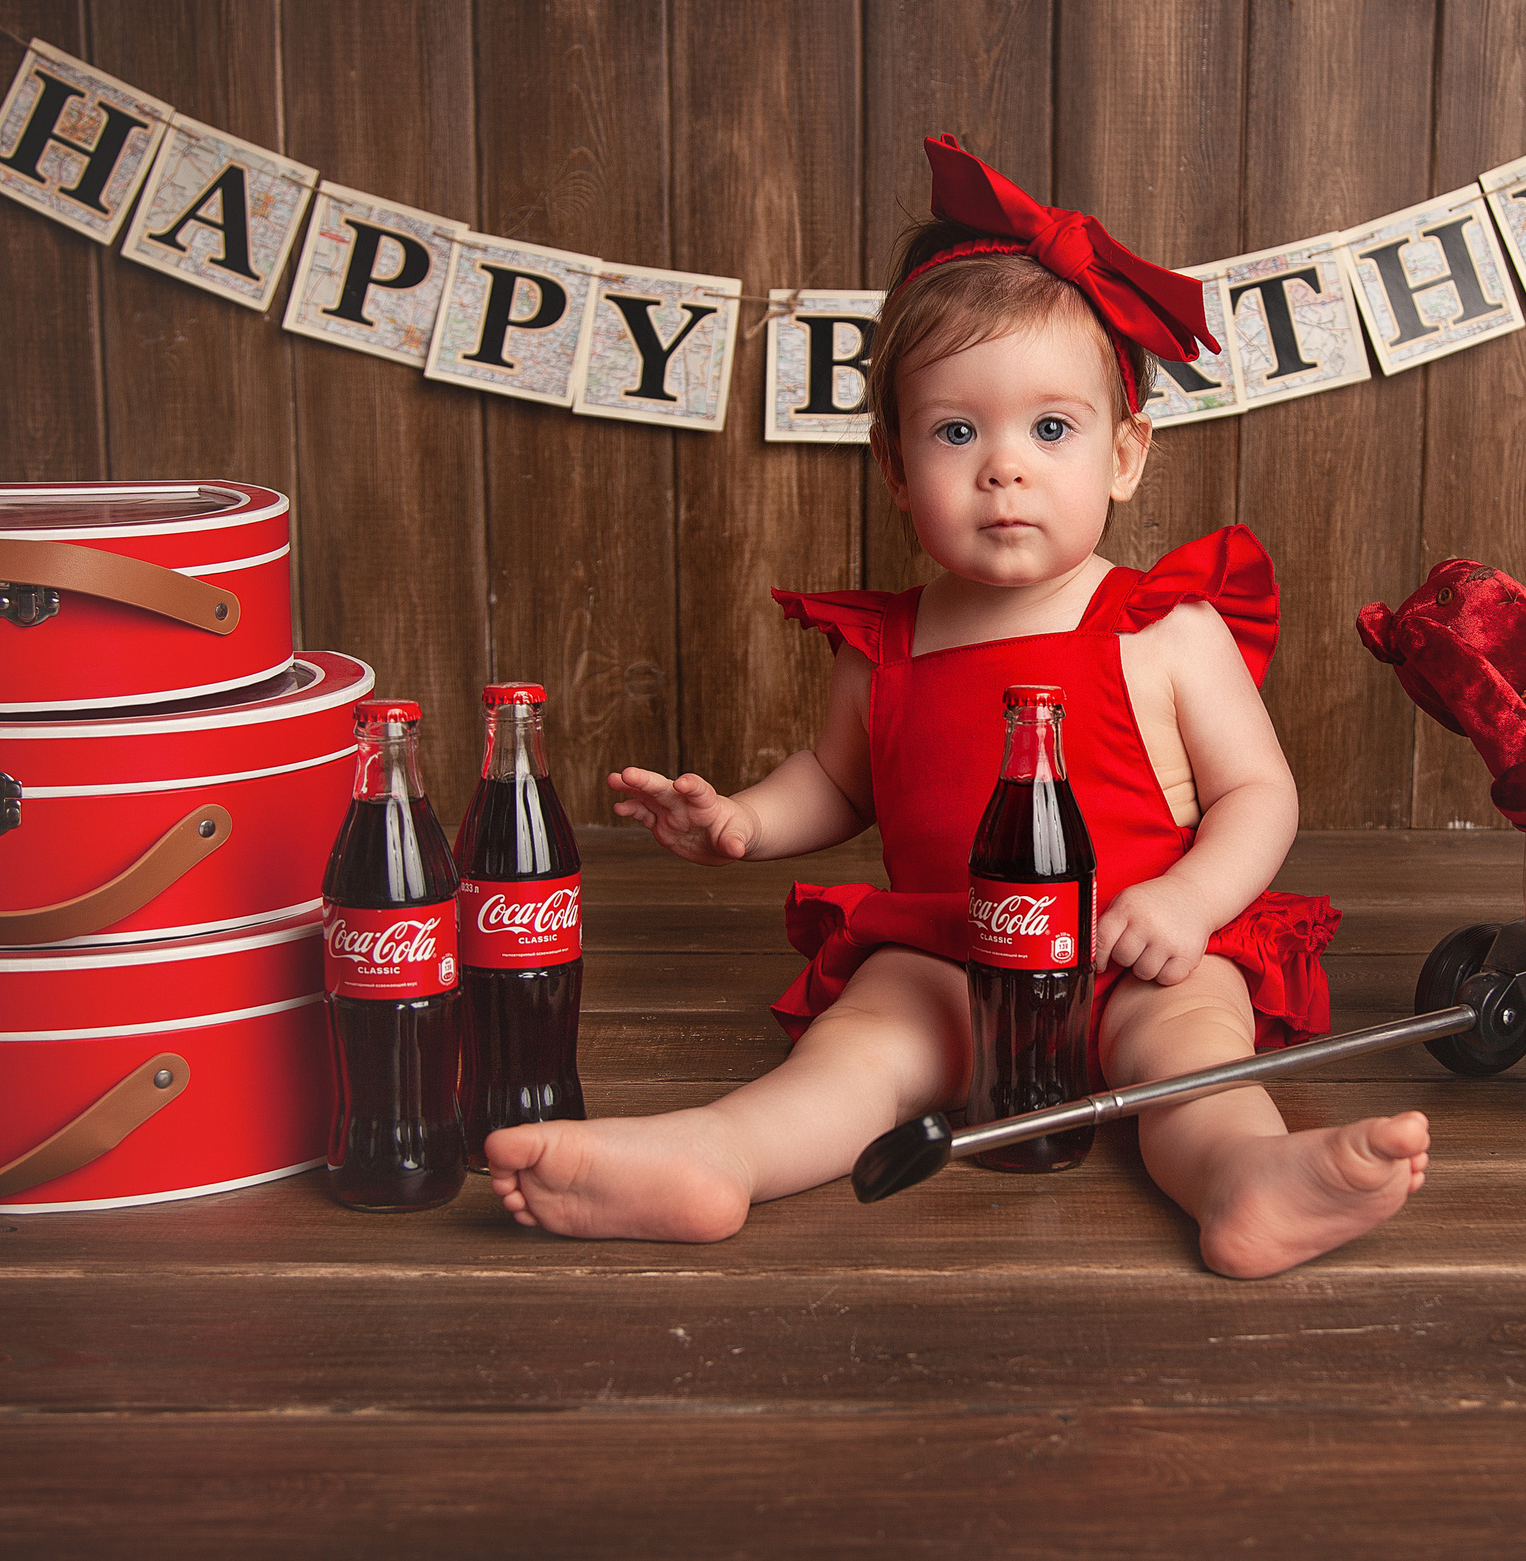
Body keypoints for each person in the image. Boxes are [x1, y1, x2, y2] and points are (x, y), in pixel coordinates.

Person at [486, 136, 1430, 1278]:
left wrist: (1189, 900)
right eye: (954, 432)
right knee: (858, 1051)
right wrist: (742, 820)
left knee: (1193, 1054)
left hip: (1138, 951)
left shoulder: (1163, 629)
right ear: (893, 468)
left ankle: (1244, 1177)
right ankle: (714, 1155)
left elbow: (1257, 795)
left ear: (1126, 454)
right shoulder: (884, 644)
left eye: (1050, 428)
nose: (1003, 468)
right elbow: (837, 782)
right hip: (950, 955)